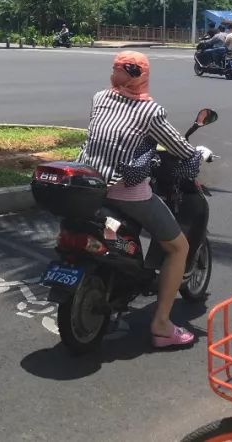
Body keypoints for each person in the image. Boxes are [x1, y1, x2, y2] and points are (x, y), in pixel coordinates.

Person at [77, 51, 204, 348]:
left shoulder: (99, 98)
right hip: (124, 192)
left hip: (89, 184)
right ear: (143, 76)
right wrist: (198, 155)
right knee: (178, 247)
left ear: (115, 73)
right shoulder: (150, 112)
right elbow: (180, 148)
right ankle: (161, 325)